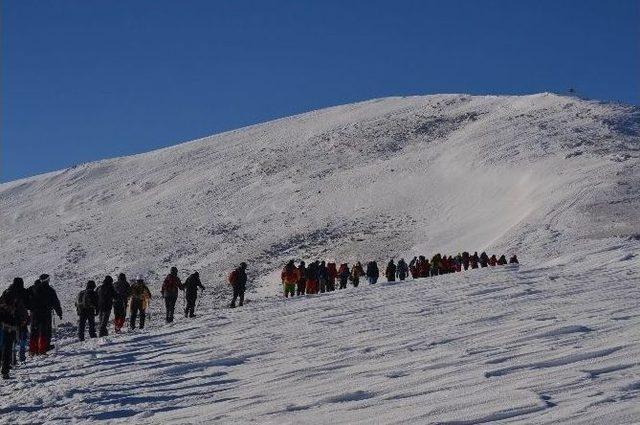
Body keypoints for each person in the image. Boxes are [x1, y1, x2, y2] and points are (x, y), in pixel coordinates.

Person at [0, 279, 28, 379]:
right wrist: (24, 321)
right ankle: (5, 371)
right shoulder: (17, 296)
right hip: (11, 326)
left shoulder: (5, 293)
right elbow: (22, 312)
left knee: (1, 346)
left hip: (1, 324)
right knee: (8, 348)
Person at [27, 274, 62, 355]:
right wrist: (59, 312)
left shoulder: (33, 288)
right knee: (43, 331)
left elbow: (26, 297)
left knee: (34, 331)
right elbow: (55, 302)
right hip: (45, 313)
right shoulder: (50, 290)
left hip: (34, 313)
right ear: (47, 280)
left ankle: (32, 350)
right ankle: (42, 349)